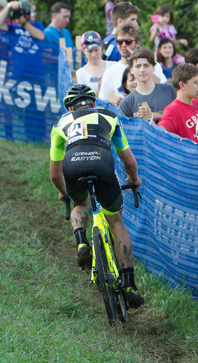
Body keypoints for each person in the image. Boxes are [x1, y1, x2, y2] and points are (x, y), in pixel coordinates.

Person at [49, 84, 144, 308]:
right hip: (102, 164)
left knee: (80, 203)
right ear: (93, 104)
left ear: (70, 109)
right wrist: (134, 179)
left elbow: (54, 174)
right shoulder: (110, 116)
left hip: (73, 168)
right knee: (116, 221)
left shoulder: (61, 123)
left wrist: (64, 193)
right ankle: (129, 284)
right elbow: (128, 160)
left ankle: (81, 241)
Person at [97, 22, 166, 104]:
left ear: (138, 43)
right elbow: (102, 102)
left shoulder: (152, 64)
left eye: (128, 41)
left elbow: (163, 89)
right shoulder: (110, 72)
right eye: (119, 41)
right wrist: (111, 101)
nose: (123, 45)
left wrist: (137, 61)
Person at [118, 48, 176, 122]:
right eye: (138, 66)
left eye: (146, 65)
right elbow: (126, 131)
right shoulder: (126, 103)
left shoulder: (170, 89)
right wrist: (137, 121)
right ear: (131, 70)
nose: (142, 70)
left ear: (153, 68)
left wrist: (157, 116)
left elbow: (182, 115)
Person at [157, 64, 198, 142]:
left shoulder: (196, 102)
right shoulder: (172, 110)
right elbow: (159, 133)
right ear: (182, 85)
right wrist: (150, 121)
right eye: (196, 83)